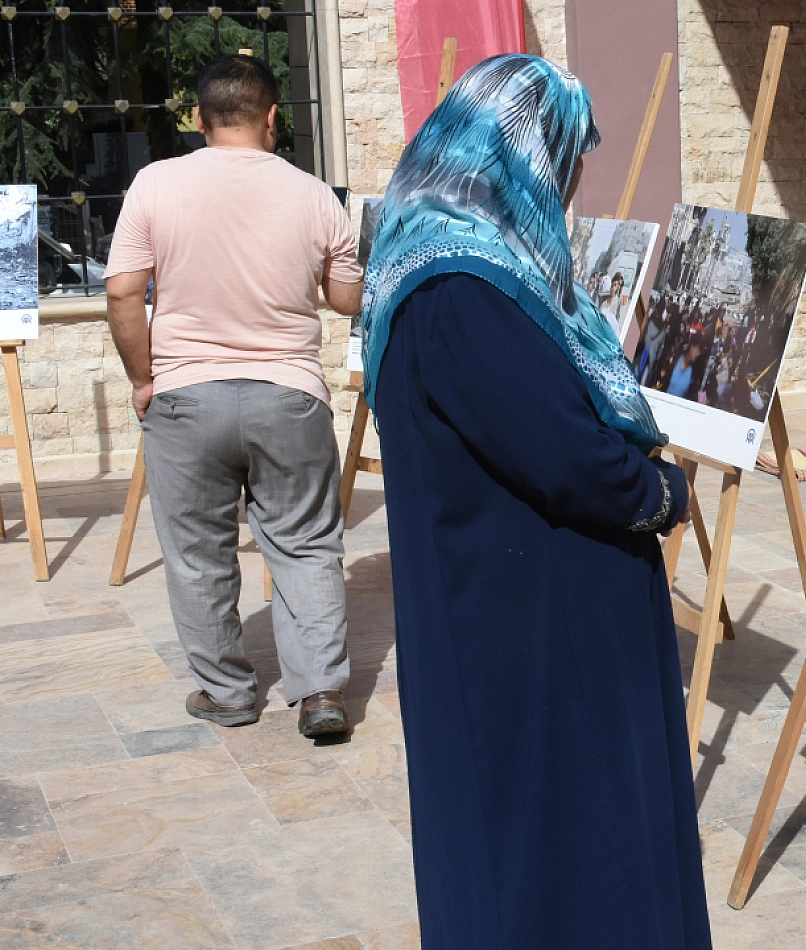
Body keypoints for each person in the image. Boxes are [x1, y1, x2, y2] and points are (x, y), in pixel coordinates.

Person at [358, 55, 711, 949]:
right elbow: (564, 455)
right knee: (558, 861)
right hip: (529, 640)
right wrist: (660, 493)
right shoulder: (461, 289)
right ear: (519, 155)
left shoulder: (438, 258)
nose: (575, 184)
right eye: (567, 162)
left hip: (511, 614)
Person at [105, 54, 360, 736]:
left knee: (197, 553)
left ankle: (227, 692)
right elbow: (345, 298)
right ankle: (322, 694)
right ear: (273, 117)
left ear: (197, 118)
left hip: (186, 396)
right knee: (306, 546)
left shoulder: (154, 184)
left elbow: (123, 290)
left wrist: (141, 379)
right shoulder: (314, 195)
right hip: (289, 396)